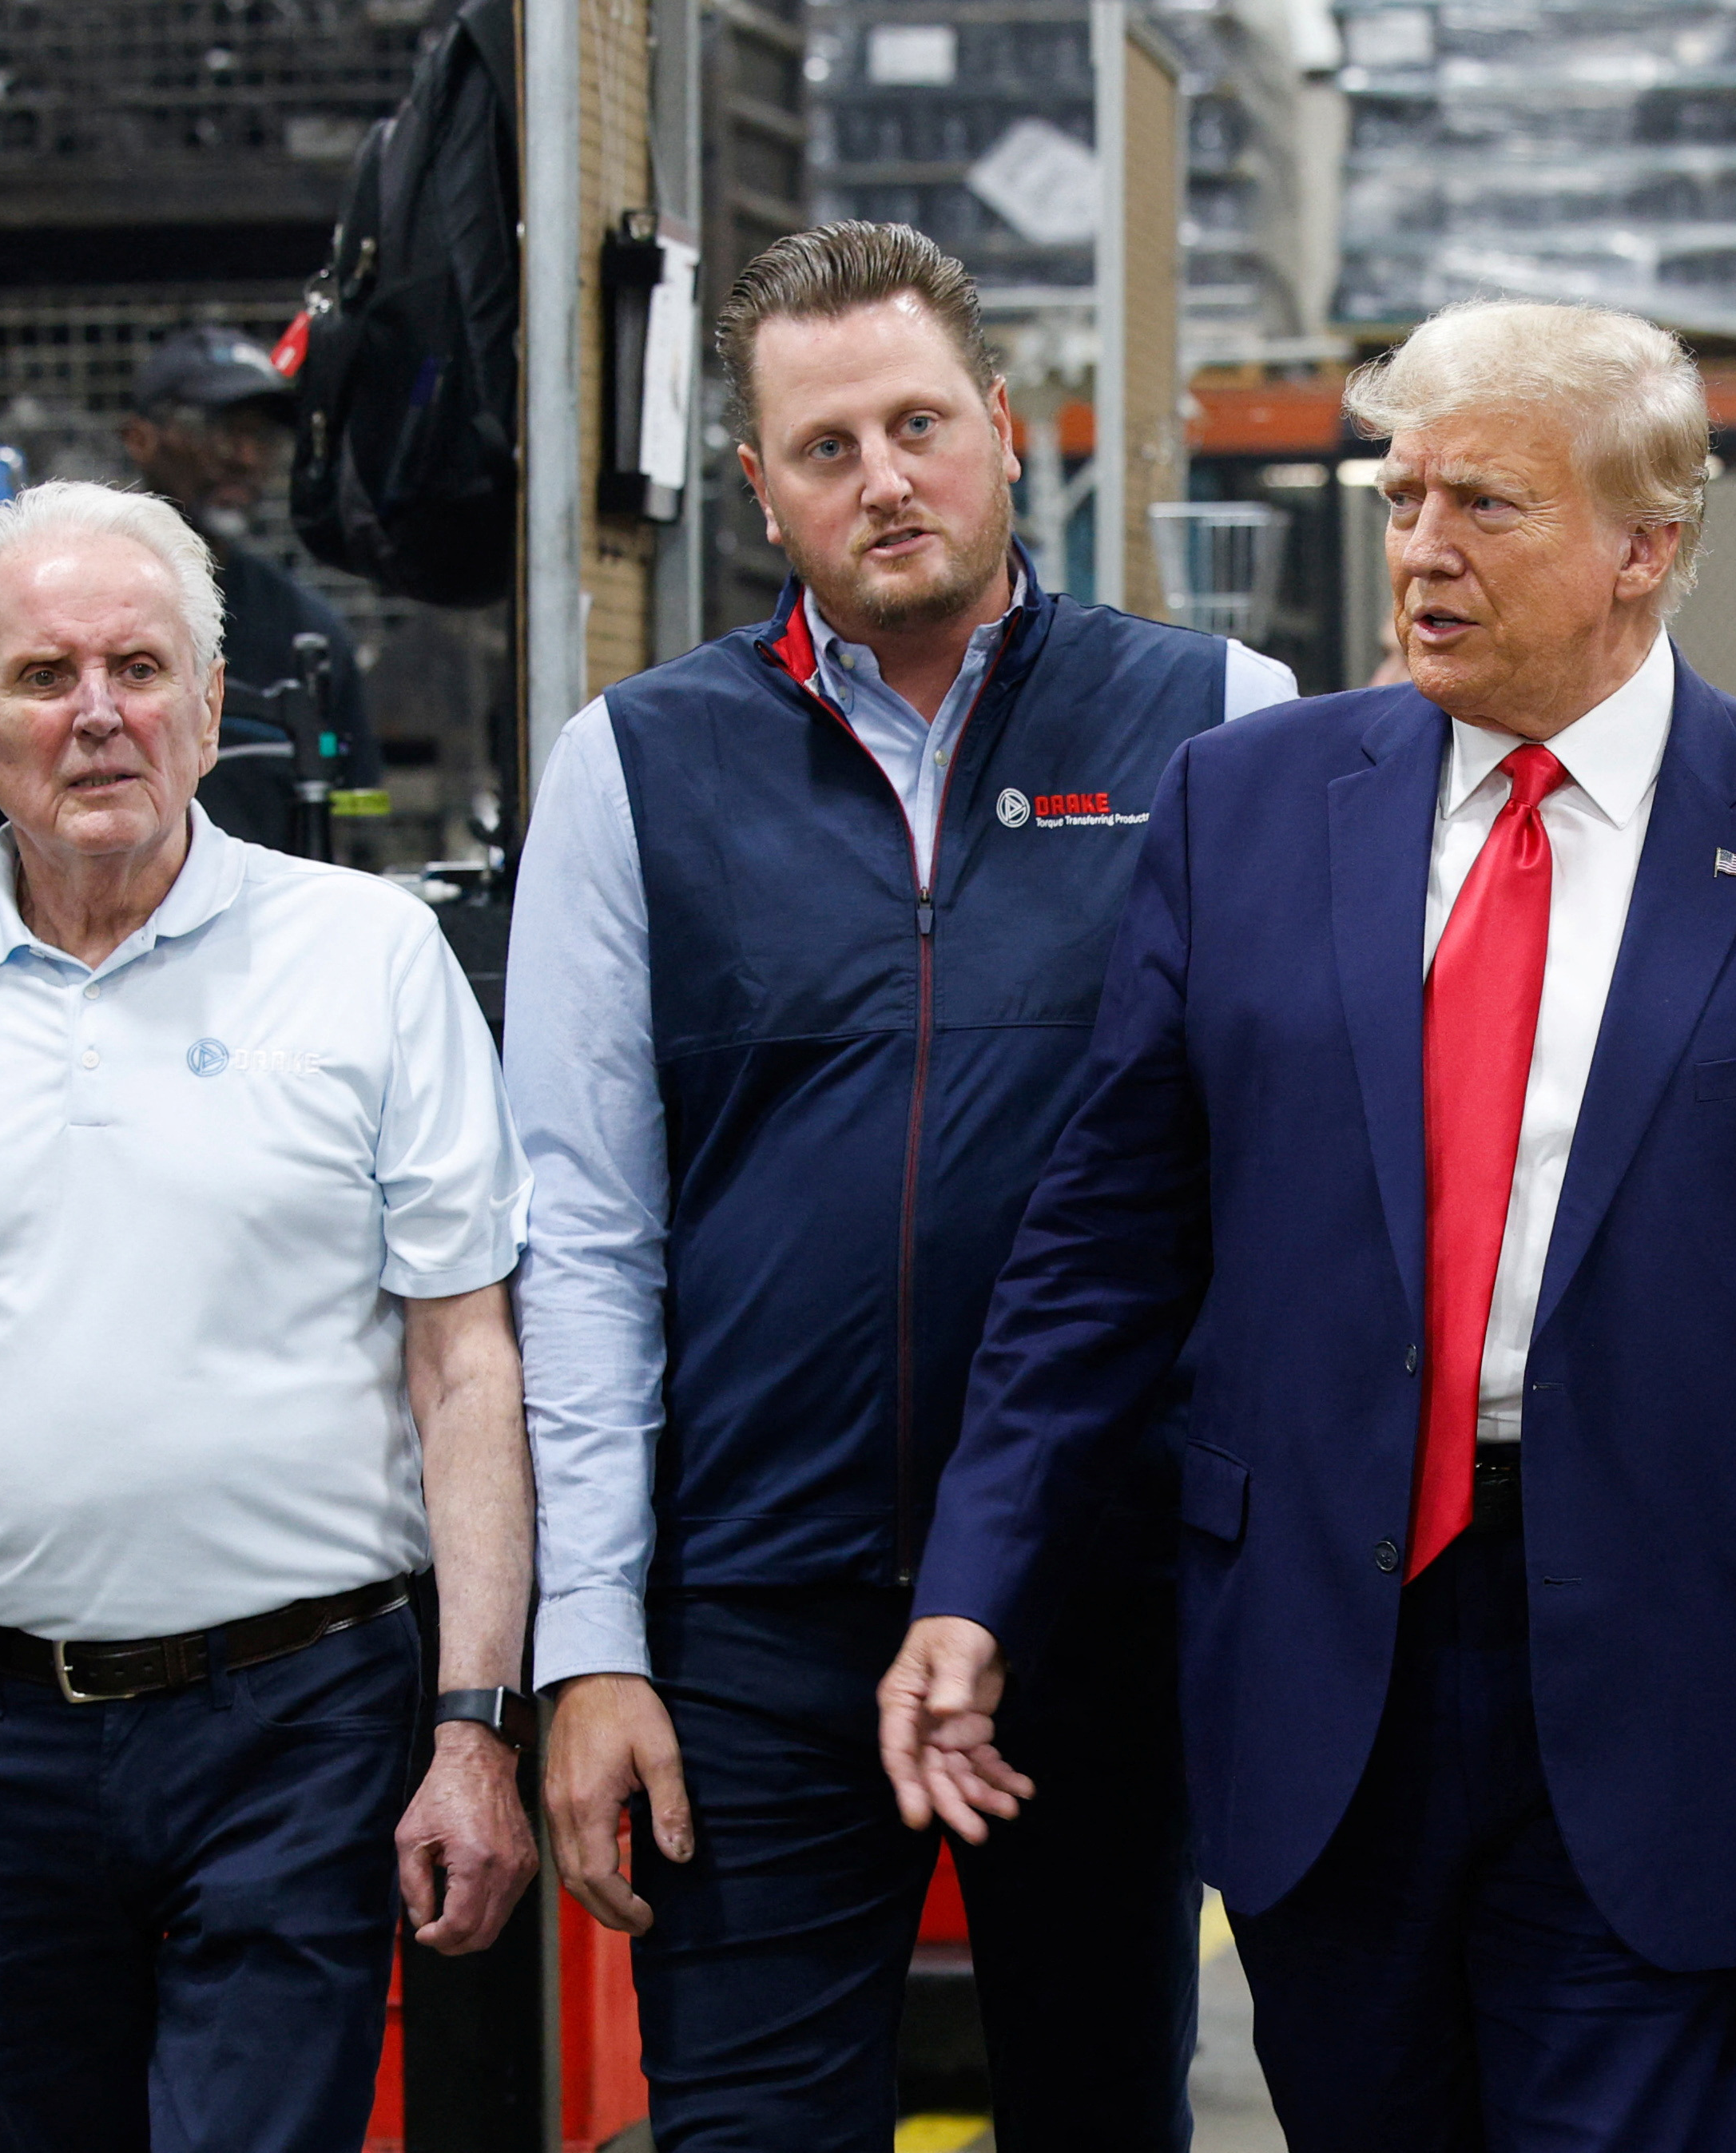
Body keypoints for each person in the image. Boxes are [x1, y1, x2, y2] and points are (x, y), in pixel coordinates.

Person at [877, 298, 1736, 2151]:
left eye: (1483, 506)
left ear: (1640, 550)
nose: (1418, 548)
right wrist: (973, 1576)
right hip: (1326, 1678)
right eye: (1400, 494)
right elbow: (1097, 1255)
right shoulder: (1244, 808)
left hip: (1691, 1691)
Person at [505, 221, 1296, 2151]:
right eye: (827, 445)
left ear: (1005, 432)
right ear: (759, 488)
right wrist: (589, 1644)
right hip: (755, 1615)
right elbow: (584, 1234)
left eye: (918, 422)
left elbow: (1294, 1200)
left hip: (1094, 1606)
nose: (884, 478)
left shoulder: (1219, 724)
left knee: (1109, 2113)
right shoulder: (632, 767)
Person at [0, 479, 537, 2152]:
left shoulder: (364, 961)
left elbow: (465, 1357)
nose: (99, 715)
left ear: (210, 710)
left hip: (299, 1717)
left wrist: (472, 1725)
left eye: (140, 668)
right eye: (44, 677)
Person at [0, 326, 381, 886]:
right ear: (140, 439)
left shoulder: (306, 628)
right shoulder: (11, 609)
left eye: (261, 437)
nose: (244, 456)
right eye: (218, 432)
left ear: (211, 698)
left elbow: (359, 812)